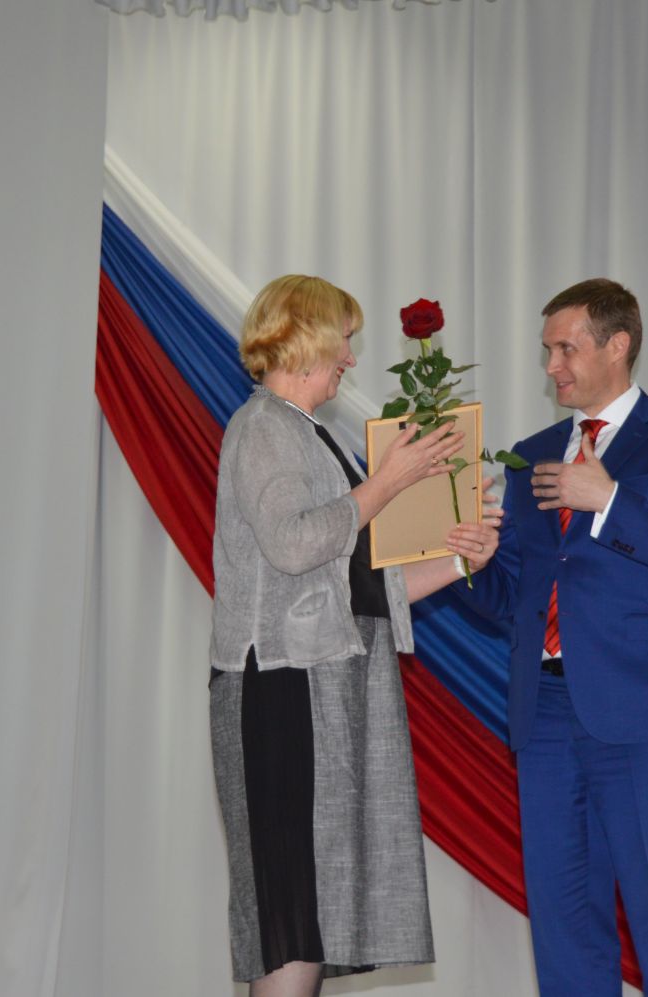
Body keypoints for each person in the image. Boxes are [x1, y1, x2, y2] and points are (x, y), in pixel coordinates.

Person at [210, 274, 503, 997]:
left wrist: (461, 557)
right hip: (276, 689)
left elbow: (360, 584)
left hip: (309, 685)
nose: (349, 356)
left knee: (310, 906)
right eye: (344, 339)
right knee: (291, 907)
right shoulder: (264, 426)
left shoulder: (307, 433)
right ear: (306, 337)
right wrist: (388, 482)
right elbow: (293, 545)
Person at [456, 279, 648, 996]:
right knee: (565, 926)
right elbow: (516, 597)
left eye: (565, 348)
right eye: (547, 350)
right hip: (545, 715)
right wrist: (479, 566)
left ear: (618, 345)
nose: (551, 365)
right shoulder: (531, 454)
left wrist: (609, 498)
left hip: (645, 714)